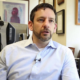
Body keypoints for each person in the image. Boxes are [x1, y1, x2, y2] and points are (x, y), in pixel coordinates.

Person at [0, 3, 79, 80]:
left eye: (51, 20)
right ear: (31, 25)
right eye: (41, 20)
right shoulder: (7, 52)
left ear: (55, 28)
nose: (46, 24)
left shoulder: (65, 54)